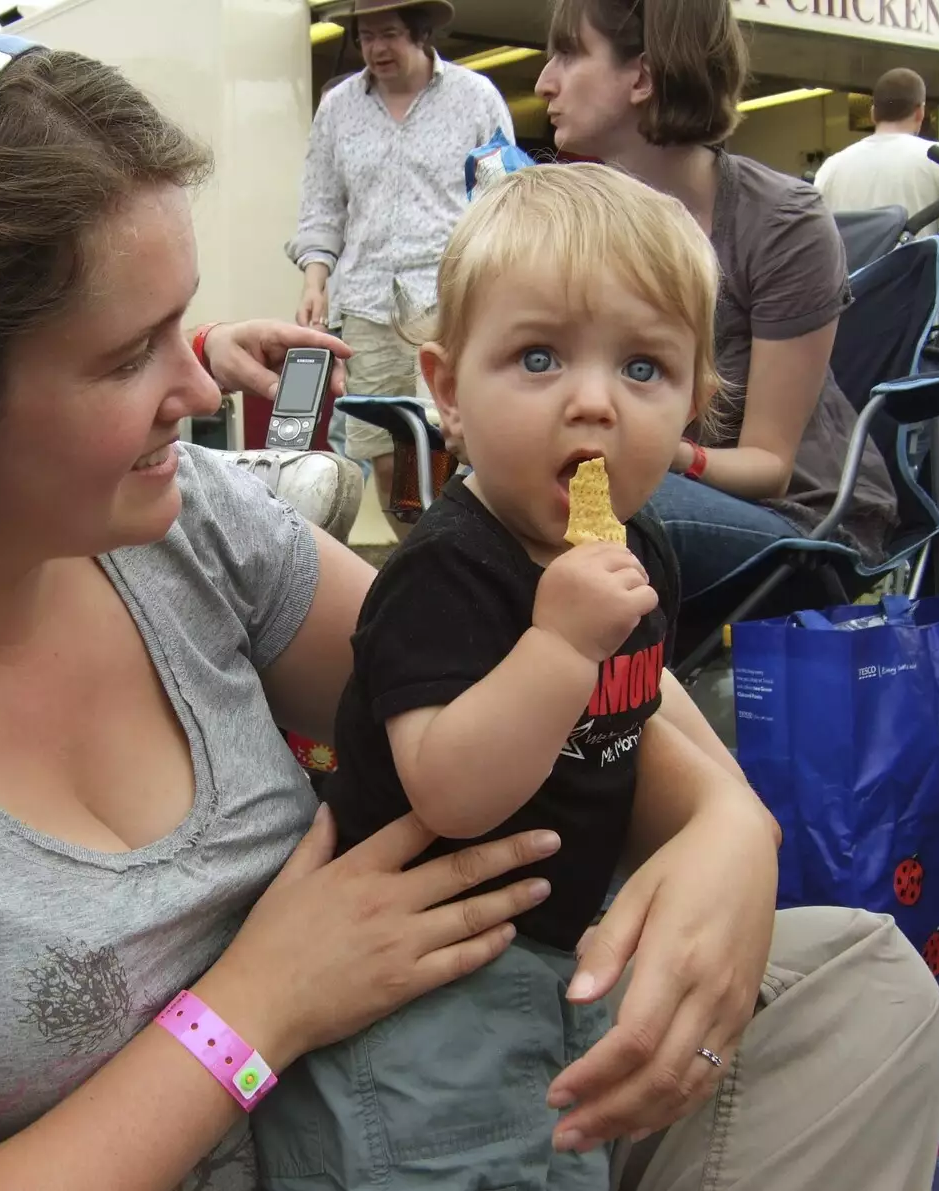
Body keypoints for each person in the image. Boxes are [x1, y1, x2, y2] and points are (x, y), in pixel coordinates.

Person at [0, 17, 939, 1191]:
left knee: (849, 993)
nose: (205, 385)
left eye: (185, 321)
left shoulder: (178, 530)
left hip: (418, 1106)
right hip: (308, 1106)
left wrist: (729, 832)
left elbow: (478, 669)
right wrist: (256, 1006)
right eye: (128, 354)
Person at [255, 164, 720, 1191]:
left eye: (643, 368)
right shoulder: (450, 569)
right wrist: (555, 650)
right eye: (540, 357)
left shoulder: (645, 551)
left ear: (696, 404)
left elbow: (626, 740)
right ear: (447, 390)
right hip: (419, 984)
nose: (593, 403)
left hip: (552, 951)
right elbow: (452, 791)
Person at [535, 0, 899, 612]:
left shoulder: (781, 224)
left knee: (592, 509)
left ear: (643, 78)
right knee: (503, 494)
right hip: (638, 483)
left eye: (569, 54)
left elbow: (770, 467)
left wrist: (644, 453)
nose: (545, 80)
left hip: (796, 516)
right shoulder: (582, 225)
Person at [288, 0, 512, 534]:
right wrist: (314, 279)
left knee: (440, 447)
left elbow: (504, 195)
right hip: (366, 304)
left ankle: (453, 557)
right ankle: (420, 555)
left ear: (421, 33)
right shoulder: (339, 107)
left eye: (388, 34)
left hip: (448, 300)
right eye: (366, 37)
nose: (376, 49)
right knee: (387, 454)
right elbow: (322, 205)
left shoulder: (474, 97)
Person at [814, 68, 939, 239]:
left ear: (873, 114)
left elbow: (814, 231)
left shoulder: (832, 166)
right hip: (909, 266)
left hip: (848, 266)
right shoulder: (938, 157)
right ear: (920, 113)